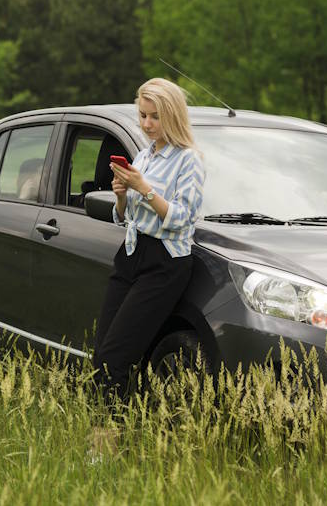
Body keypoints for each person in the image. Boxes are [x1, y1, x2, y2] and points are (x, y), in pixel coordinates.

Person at [91, 77, 207, 409]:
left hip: (164, 263)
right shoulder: (143, 157)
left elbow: (183, 219)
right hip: (130, 254)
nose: (147, 124)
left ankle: (105, 447)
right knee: (103, 354)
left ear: (172, 115)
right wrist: (122, 196)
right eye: (142, 115)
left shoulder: (189, 160)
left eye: (154, 116)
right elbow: (124, 218)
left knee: (116, 357)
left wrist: (144, 188)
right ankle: (105, 442)